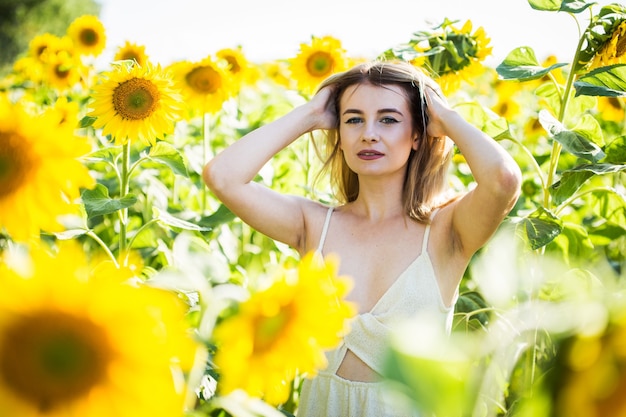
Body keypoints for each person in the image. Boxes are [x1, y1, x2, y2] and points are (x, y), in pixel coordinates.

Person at [203, 60, 522, 416]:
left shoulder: (447, 232)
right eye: (353, 119)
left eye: (388, 119)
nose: (369, 133)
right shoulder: (312, 225)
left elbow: (503, 181)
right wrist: (311, 113)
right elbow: (222, 176)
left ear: (418, 134)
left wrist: (444, 116)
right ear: (338, 134)